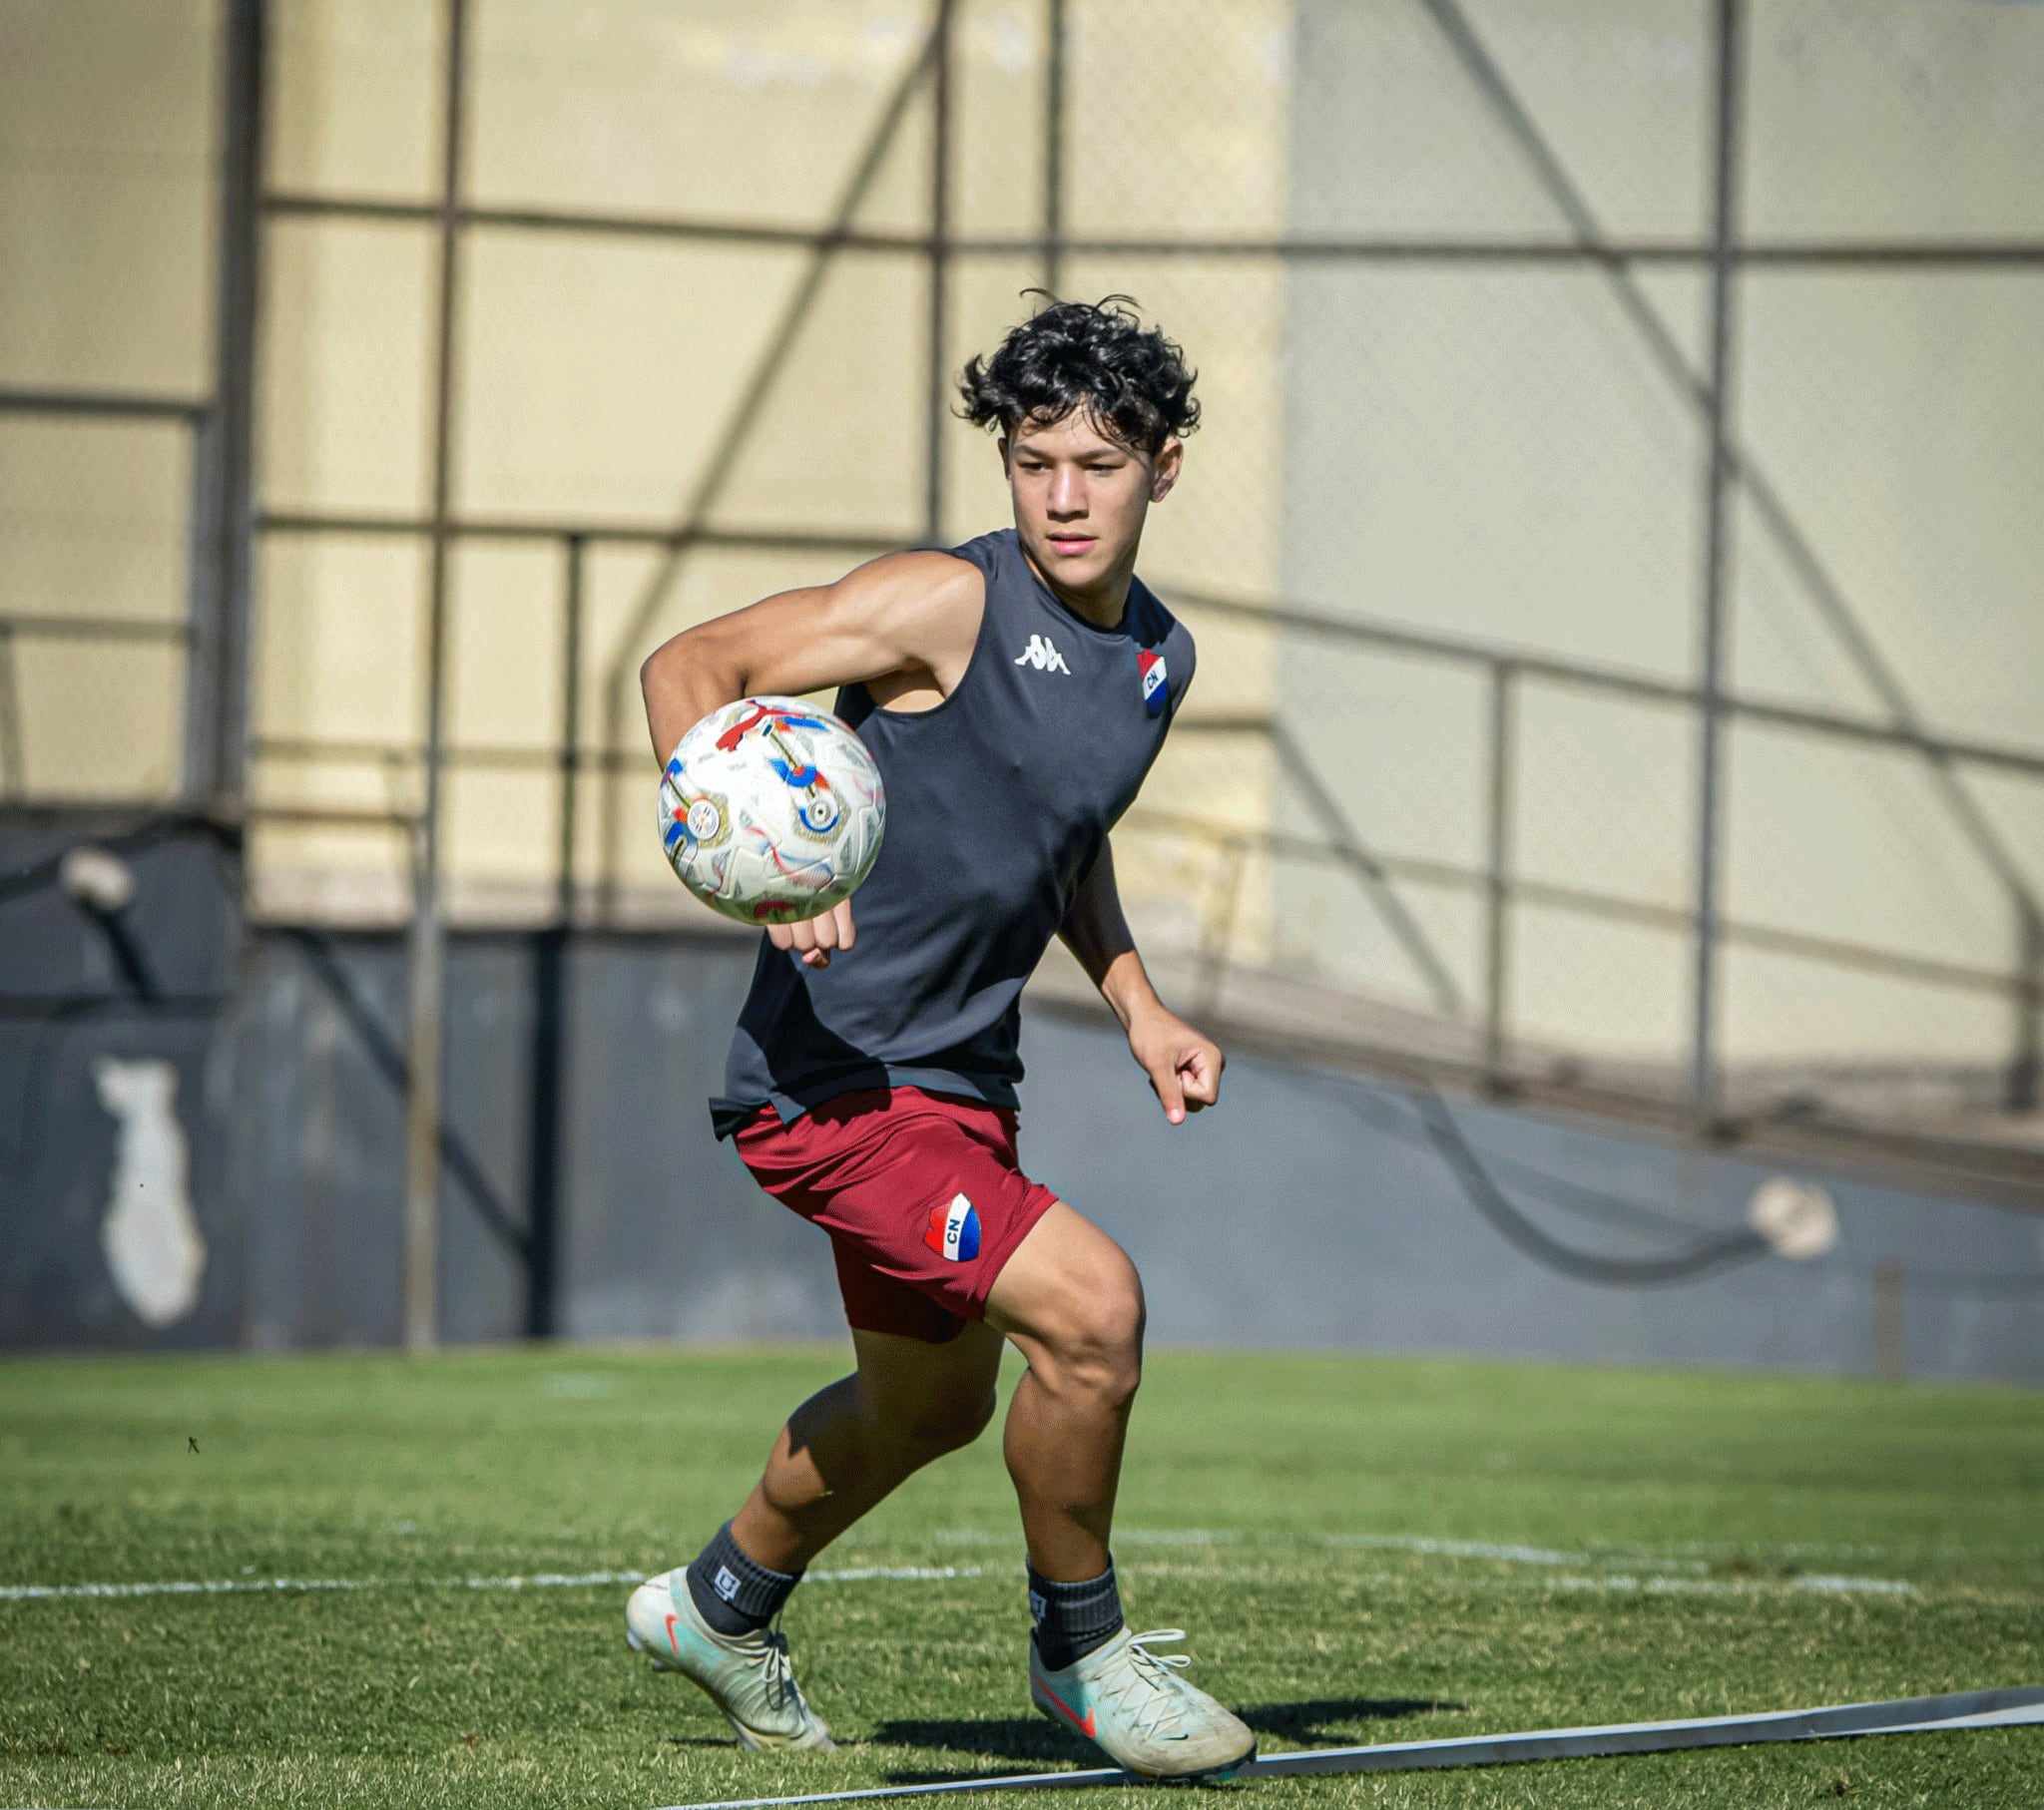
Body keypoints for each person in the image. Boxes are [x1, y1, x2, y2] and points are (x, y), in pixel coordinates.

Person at [629, 295, 1255, 1782]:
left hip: (962, 1082)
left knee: (933, 1403)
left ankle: (718, 1607)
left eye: (1098, 464)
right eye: (1034, 461)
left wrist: (1138, 998)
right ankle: (1083, 1653)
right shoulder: (945, 603)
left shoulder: (1159, 662)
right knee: (1094, 1312)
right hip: (832, 1083)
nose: (1062, 494)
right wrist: (760, 864)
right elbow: (688, 668)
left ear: (1161, 469)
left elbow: (1059, 838)